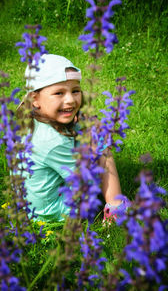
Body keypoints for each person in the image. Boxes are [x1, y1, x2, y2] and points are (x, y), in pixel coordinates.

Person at [17, 54, 125, 222]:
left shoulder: (34, 120)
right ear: (35, 99)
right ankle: (117, 208)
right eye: (59, 93)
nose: (70, 100)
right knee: (104, 151)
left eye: (75, 91)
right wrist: (98, 145)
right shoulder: (53, 141)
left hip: (29, 202)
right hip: (52, 213)